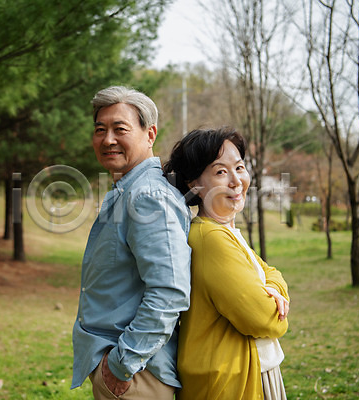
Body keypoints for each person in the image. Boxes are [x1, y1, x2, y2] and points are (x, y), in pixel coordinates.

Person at [71, 86, 191, 400]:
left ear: (150, 134)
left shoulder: (148, 196)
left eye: (120, 129)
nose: (107, 139)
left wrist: (122, 365)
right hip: (128, 372)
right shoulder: (128, 190)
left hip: (137, 377)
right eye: (100, 130)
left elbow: (170, 291)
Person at [163, 127, 290, 400]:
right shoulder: (212, 239)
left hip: (246, 373)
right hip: (230, 383)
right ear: (194, 184)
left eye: (239, 168)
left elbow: (271, 272)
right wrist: (277, 300)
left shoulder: (224, 232)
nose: (236, 181)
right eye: (221, 172)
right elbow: (265, 318)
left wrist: (273, 286)